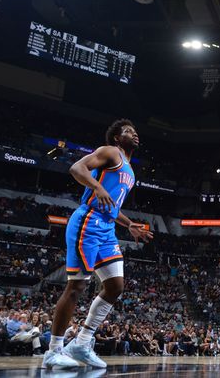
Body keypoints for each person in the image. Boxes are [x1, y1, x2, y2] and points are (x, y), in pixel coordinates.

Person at [43, 119, 154, 369]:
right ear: (116, 138)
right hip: (88, 222)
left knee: (115, 286)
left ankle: (82, 343)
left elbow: (112, 205)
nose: (134, 134)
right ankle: (53, 351)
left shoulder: (131, 171)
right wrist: (96, 186)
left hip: (107, 227)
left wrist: (129, 225)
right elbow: (76, 168)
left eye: (136, 131)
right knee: (77, 286)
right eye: (128, 131)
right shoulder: (110, 151)